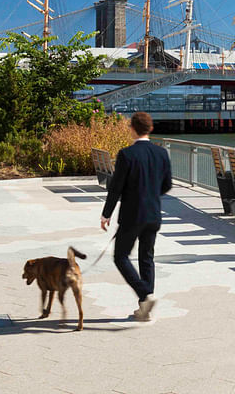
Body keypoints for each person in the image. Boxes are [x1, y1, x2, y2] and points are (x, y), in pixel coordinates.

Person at [100, 112, 172, 321]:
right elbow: (166, 185)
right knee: (146, 257)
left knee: (121, 256)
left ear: (132, 128)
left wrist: (106, 214)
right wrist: (150, 194)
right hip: (154, 214)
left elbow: (115, 188)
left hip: (132, 214)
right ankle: (145, 310)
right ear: (150, 129)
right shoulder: (161, 154)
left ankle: (145, 295)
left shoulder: (126, 154)